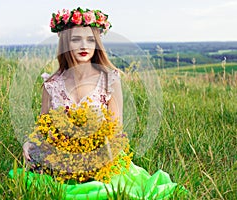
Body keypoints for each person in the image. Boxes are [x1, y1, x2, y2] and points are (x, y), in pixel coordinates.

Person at [11, 7, 187, 199]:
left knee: (103, 189)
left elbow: (116, 128)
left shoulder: (109, 79)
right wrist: (31, 142)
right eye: (76, 39)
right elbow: (43, 126)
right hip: (61, 154)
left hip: (102, 152)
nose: (83, 46)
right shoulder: (52, 84)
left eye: (90, 39)